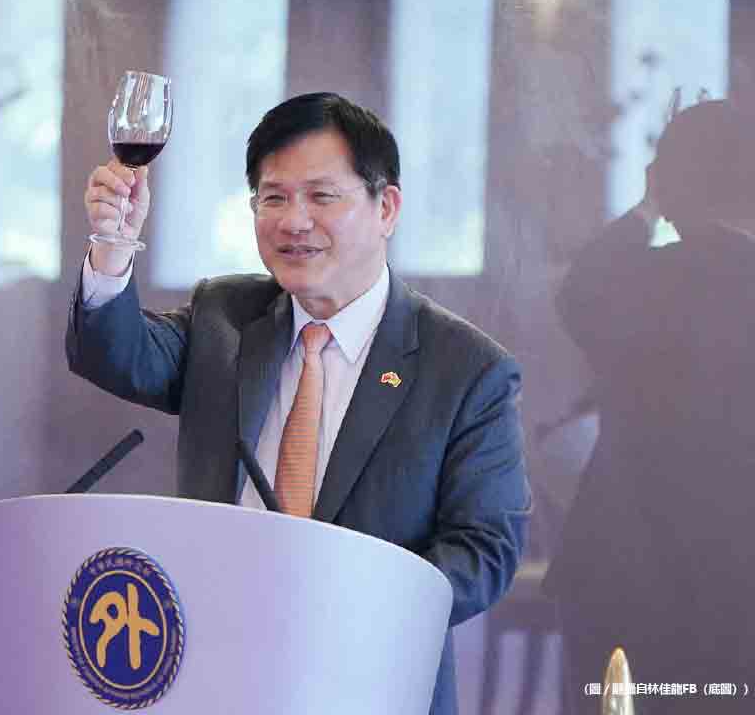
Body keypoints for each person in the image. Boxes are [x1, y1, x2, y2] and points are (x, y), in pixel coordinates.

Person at [65, 91, 531, 715]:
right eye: (274, 198)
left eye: (321, 196)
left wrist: (346, 604)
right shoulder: (225, 317)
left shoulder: (467, 370)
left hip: (367, 681)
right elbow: (116, 356)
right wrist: (113, 246)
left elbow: (484, 549)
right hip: (207, 674)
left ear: (386, 207)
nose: (293, 221)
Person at [548, 98, 755, 714]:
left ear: (670, 184)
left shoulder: (639, 281)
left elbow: (580, 293)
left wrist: (647, 208)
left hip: (626, 572)